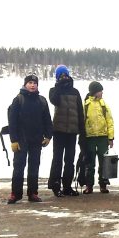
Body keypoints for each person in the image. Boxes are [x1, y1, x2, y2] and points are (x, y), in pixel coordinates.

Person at [7, 74, 52, 203]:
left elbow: (47, 120)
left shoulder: (42, 101)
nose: (32, 85)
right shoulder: (18, 99)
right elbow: (12, 121)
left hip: (37, 140)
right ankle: (15, 194)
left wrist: (48, 136)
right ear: (25, 84)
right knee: (19, 167)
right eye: (30, 83)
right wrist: (13, 140)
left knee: (34, 167)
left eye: (35, 83)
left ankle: (33, 193)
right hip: (21, 140)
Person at [47, 65, 84, 197]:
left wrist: (82, 130)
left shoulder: (75, 92)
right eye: (61, 75)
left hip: (72, 131)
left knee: (70, 159)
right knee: (57, 158)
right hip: (58, 130)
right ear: (57, 77)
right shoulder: (54, 90)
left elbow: (80, 111)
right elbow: (54, 100)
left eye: (65, 75)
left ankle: (67, 186)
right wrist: (59, 86)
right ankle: (55, 185)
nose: (64, 77)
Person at [82, 81, 114, 194]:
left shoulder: (103, 105)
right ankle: (89, 185)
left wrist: (111, 138)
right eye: (100, 91)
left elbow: (109, 121)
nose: (102, 93)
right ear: (95, 92)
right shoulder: (85, 105)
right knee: (90, 162)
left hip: (102, 137)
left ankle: (103, 184)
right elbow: (82, 122)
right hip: (89, 137)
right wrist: (82, 138)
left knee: (104, 162)